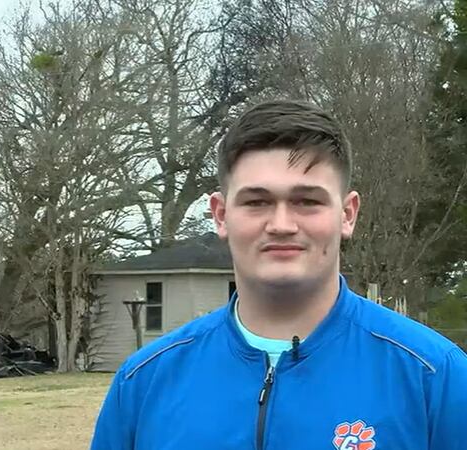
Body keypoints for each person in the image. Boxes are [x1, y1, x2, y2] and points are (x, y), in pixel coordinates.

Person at [90, 100, 467, 450]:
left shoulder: (434, 376)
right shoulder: (144, 382)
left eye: (307, 201)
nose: (282, 224)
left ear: (347, 214)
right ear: (221, 214)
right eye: (257, 202)